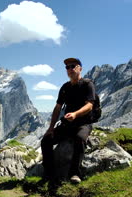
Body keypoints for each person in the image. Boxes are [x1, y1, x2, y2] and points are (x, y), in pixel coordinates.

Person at [41, 57, 96, 186]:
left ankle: (74, 173)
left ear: (80, 69)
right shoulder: (65, 87)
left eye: (73, 66)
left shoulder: (88, 84)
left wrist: (76, 114)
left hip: (83, 123)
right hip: (67, 124)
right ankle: (49, 173)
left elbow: (89, 105)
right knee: (46, 141)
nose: (70, 69)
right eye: (67, 67)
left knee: (80, 138)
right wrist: (50, 128)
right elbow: (58, 107)